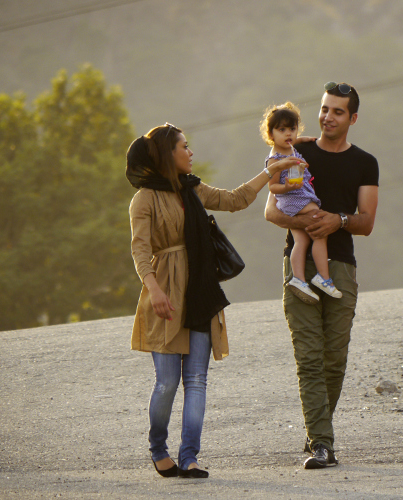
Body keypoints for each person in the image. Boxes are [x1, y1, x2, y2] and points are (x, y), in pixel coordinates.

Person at [127, 123, 300, 478]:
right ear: (167, 154)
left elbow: (234, 200)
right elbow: (140, 249)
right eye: (184, 146)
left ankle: (189, 456)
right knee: (167, 382)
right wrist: (154, 289)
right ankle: (157, 447)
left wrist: (270, 172)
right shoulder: (144, 198)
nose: (190, 152)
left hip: (202, 289)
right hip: (166, 291)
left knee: (197, 381)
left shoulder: (193, 189)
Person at [265, 82, 378, 469]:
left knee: (334, 359)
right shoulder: (297, 150)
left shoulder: (365, 162)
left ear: (353, 118)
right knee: (309, 357)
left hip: (341, 268)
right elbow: (270, 211)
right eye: (325, 109)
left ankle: (316, 430)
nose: (328, 116)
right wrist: (308, 220)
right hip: (298, 263)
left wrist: (337, 220)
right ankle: (322, 443)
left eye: (338, 111)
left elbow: (366, 222)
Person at [260, 101, 342, 303]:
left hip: (296, 199)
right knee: (320, 230)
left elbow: (292, 143)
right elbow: (272, 187)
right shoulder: (274, 160)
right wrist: (287, 186)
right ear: (271, 135)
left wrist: (302, 140)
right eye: (282, 130)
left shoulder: (290, 148)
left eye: (292, 129)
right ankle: (323, 277)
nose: (288, 134)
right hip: (295, 200)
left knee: (302, 240)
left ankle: (298, 279)